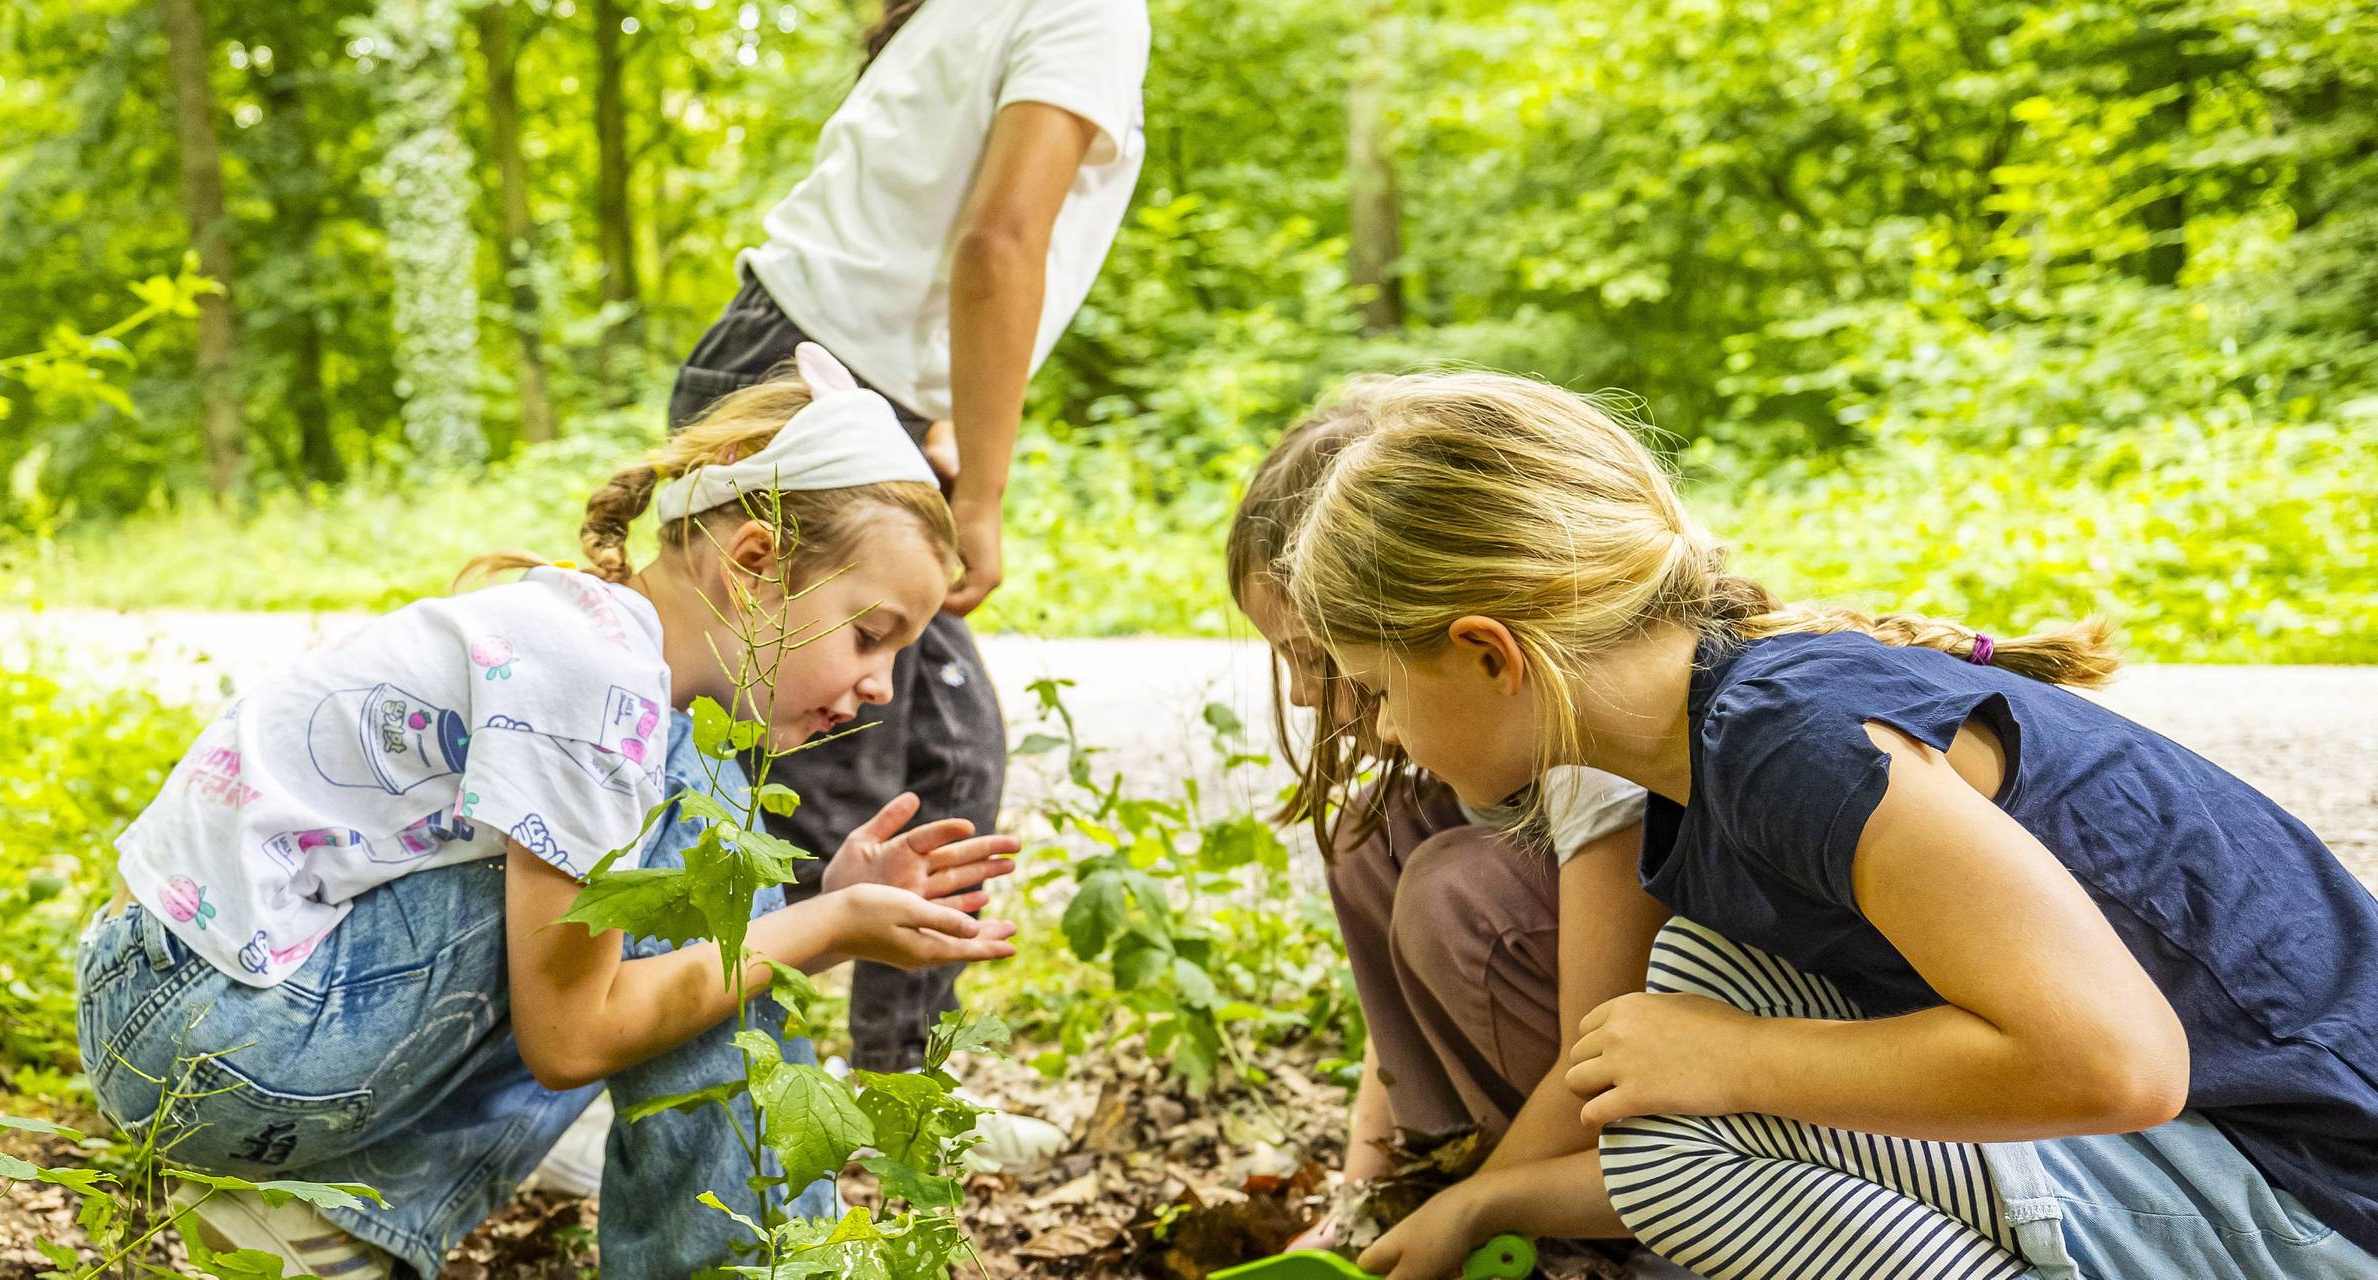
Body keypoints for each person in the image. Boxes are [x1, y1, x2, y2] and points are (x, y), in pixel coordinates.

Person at [1281, 370, 2378, 1280]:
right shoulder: (1708, 762)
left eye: (1373, 685)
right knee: (1691, 992)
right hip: (2207, 1168)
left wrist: (1738, 1059)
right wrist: (1483, 1210)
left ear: (1487, 652)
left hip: (2313, 1198)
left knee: (1680, 1096)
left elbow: (2117, 1065)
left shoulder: (1786, 739)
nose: (1372, 721)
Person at [74, 349, 1022, 1280]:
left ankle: (330, 1213)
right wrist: (824, 927)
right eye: (871, 634)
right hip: (218, 1030)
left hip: (196, 1019)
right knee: (678, 875)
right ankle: (757, 1264)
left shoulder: (600, 646)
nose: (880, 688)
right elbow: (568, 1039)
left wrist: (825, 906)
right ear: (755, 562)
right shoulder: (598, 690)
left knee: (662, 875)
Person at [667, 0, 1148, 1071]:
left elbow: (921, 243)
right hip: (811, 382)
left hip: (819, 370)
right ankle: (712, 1097)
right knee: (826, 783)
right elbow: (998, 242)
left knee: (940, 757)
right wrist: (979, 488)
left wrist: (932, 408)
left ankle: (892, 1094)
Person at [1224, 392, 1672, 1272]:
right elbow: (1389, 1036)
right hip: (1545, 1121)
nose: (1303, 696)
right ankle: (1419, 1197)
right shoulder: (1462, 730)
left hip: (1645, 1121)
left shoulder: (1588, 746)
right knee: (1370, 835)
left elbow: (1603, 1055)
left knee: (1455, 888)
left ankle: (1557, 1241)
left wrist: (1477, 1218)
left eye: (1313, 657)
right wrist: (1366, 1195)